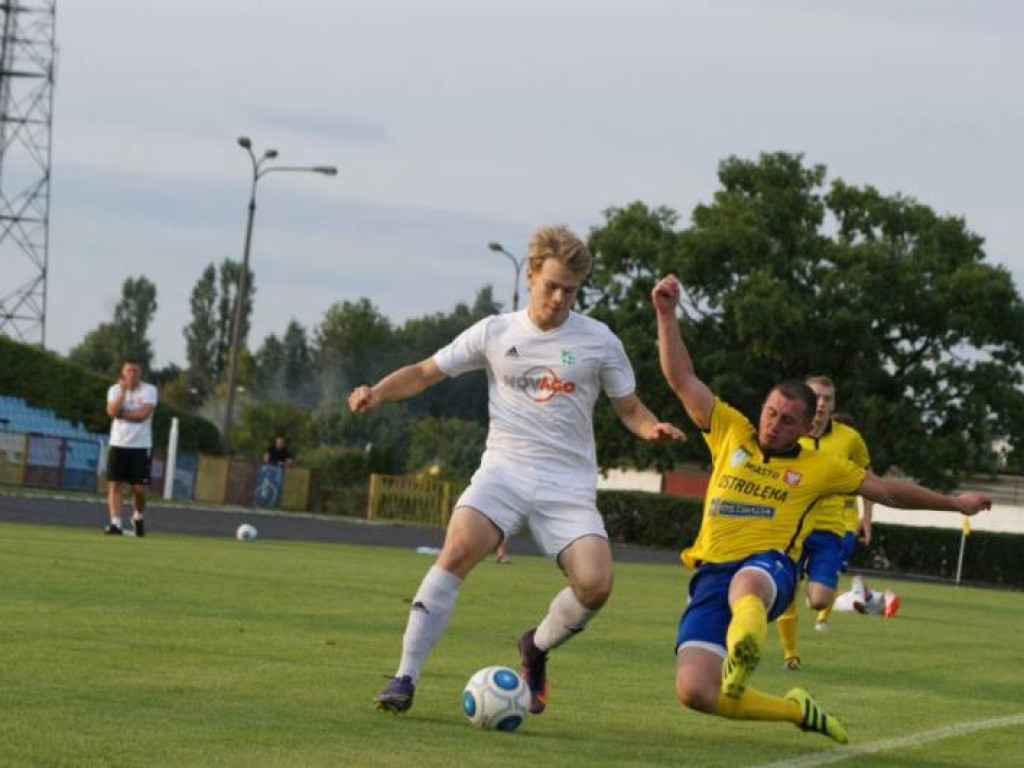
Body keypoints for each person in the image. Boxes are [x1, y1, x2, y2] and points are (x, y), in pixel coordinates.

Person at [349, 225, 685, 715]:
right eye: (550, 286)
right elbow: (425, 372)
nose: (559, 298)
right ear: (530, 276)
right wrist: (377, 392)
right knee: (458, 548)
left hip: (567, 486)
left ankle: (536, 647)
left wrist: (652, 428)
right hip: (503, 472)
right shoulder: (494, 332)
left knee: (596, 585)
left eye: (569, 290)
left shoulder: (598, 341)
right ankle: (404, 676)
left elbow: (630, 408)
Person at [652, 274, 990, 743]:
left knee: (747, 583)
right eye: (770, 412)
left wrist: (955, 503)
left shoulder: (822, 465)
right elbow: (681, 378)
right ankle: (796, 710)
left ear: (808, 424)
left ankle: (745, 648)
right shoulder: (732, 430)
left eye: (787, 420)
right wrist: (667, 316)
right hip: (710, 572)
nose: (772, 425)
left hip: (771, 568)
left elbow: (888, 490)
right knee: (696, 692)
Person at [776, 377, 873, 670]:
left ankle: (818, 602)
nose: (821, 404)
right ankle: (790, 654)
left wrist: (866, 516)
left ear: (834, 404)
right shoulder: (789, 432)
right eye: (816, 397)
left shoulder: (850, 438)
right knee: (786, 593)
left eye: (827, 399)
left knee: (819, 600)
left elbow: (869, 478)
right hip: (791, 528)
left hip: (830, 530)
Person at [104, 358, 158, 536]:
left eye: (135, 370)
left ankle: (137, 516)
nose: (132, 374)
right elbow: (112, 412)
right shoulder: (114, 390)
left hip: (140, 446)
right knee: (115, 485)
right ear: (123, 372)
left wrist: (122, 414)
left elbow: (143, 414)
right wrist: (122, 393)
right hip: (118, 443)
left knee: (139, 490)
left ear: (140, 372)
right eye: (129, 370)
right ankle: (116, 524)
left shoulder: (149, 390)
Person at [831, 574, 900, 618]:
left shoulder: (835, 604)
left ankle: (888, 607)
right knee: (857, 578)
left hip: (865, 607)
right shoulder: (837, 600)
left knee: (884, 594)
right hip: (868, 601)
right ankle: (889, 603)